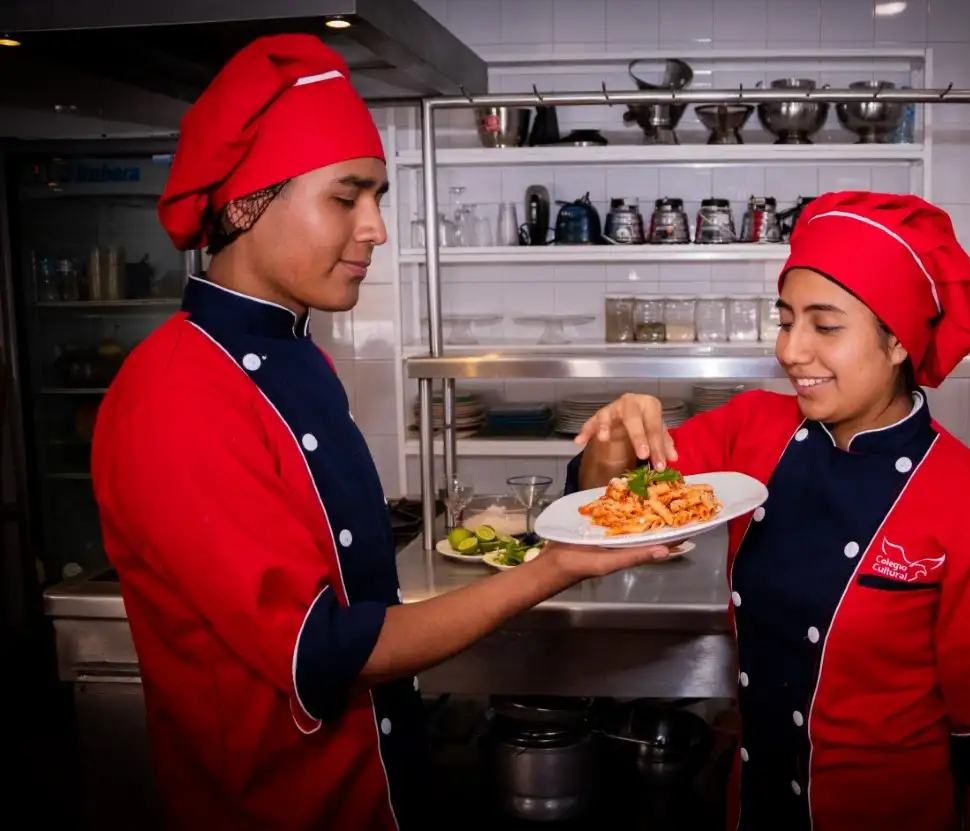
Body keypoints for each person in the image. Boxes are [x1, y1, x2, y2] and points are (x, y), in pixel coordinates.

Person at [90, 34, 671, 831]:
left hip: (369, 786)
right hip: (272, 804)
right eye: (346, 196)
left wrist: (593, 477)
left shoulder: (296, 358)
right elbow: (323, 650)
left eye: (379, 197)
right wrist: (557, 567)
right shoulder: (176, 394)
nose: (376, 229)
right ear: (245, 203)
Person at [567, 191, 970, 831]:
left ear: (899, 340)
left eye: (824, 326)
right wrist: (615, 437)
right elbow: (609, 500)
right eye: (785, 319)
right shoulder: (753, 430)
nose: (790, 351)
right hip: (756, 803)